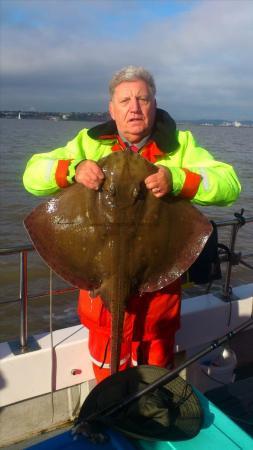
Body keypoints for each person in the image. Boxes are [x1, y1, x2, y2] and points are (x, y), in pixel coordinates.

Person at [23, 66, 241, 383]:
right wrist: (73, 169)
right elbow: (32, 175)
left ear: (154, 104)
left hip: (159, 298)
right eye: (125, 100)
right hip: (101, 296)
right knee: (109, 376)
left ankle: (146, 419)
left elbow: (229, 185)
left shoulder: (179, 146)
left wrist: (177, 178)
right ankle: (115, 413)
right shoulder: (89, 144)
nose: (134, 108)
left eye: (143, 98)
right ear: (112, 109)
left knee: (154, 380)